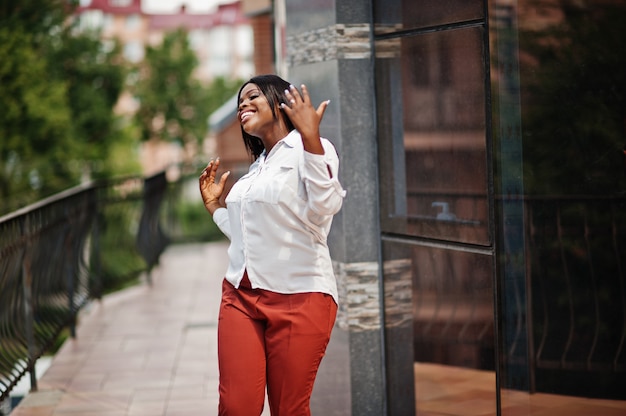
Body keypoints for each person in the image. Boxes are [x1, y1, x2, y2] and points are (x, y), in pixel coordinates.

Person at [199, 74, 346, 416]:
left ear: (280, 102)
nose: (242, 105)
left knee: (288, 409)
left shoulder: (311, 151)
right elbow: (249, 236)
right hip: (240, 297)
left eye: (252, 96)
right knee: (236, 408)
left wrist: (310, 137)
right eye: (239, 102)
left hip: (300, 296)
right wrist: (216, 208)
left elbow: (326, 206)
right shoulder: (258, 168)